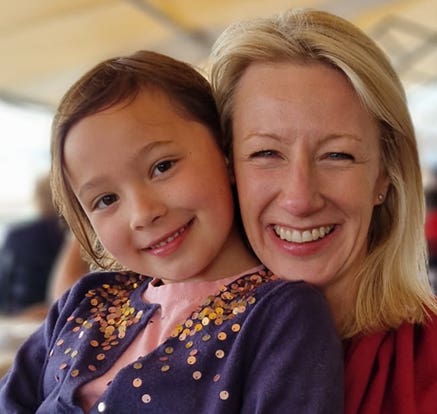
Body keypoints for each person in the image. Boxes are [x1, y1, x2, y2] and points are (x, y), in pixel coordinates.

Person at [209, 9, 437, 412]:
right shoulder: (161, 365)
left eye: (338, 155)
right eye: (266, 153)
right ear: (227, 169)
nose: (300, 198)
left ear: (385, 175)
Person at [0, 50, 343, 413]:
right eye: (105, 199)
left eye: (162, 166)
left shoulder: (282, 316)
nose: (143, 214)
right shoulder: (85, 301)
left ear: (226, 153)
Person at [0, 174, 66, 314]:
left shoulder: (17, 234)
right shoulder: (74, 236)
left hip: (20, 313)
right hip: (56, 311)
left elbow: (4, 285)